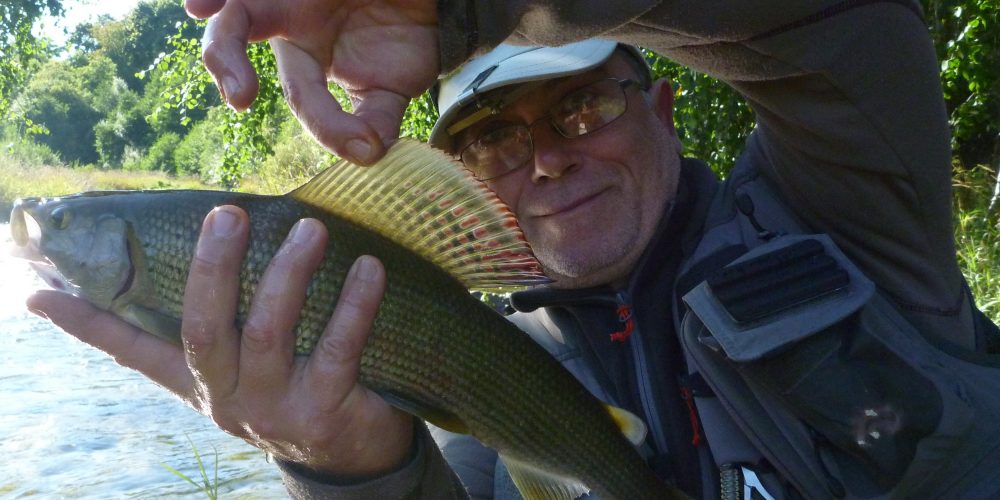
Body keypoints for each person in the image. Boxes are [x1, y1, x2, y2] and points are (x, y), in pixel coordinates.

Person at [26, 0, 1000, 498]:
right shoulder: (474, 397)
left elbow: (841, 19)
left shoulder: (852, 207)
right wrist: (349, 465)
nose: (544, 160)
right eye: (491, 138)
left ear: (661, 106)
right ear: (455, 174)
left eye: (580, 105)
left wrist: (464, 3)